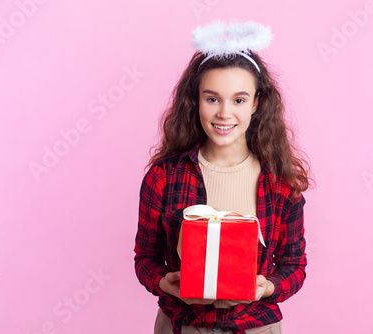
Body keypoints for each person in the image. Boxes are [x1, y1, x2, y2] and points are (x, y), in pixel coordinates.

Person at [134, 21, 315, 334]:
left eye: (239, 100)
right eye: (212, 98)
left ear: (256, 103)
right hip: (181, 325)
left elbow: (295, 267)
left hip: (255, 326)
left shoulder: (280, 184)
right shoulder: (163, 178)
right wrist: (164, 282)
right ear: (196, 100)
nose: (224, 114)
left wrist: (266, 287)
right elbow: (145, 258)